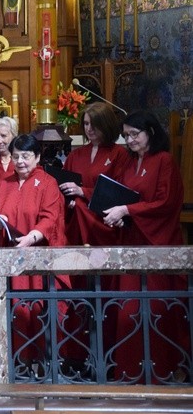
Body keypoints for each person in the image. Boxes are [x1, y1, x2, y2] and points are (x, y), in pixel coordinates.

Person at [100, 110, 187, 381]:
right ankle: (128, 370)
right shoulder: (126, 161)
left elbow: (166, 202)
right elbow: (109, 188)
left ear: (150, 132)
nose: (129, 140)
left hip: (156, 244)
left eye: (134, 134)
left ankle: (163, 370)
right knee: (128, 308)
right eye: (125, 135)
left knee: (157, 309)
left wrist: (126, 210)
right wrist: (114, 211)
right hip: (130, 242)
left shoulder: (164, 160)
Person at [0, 134, 68, 371]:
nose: (20, 162)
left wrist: (32, 237)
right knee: (13, 311)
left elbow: (51, 218)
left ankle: (41, 363)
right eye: (16, 156)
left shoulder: (47, 183)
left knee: (37, 310)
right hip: (9, 260)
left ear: (37, 157)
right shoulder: (3, 184)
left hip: (37, 259)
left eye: (26, 157)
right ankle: (17, 363)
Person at [62, 102, 129, 246]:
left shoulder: (119, 154)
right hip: (76, 220)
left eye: (94, 124)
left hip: (103, 219)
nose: (89, 129)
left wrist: (82, 192)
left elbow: (119, 193)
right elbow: (62, 187)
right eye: (86, 124)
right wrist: (69, 201)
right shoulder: (76, 155)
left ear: (106, 124)